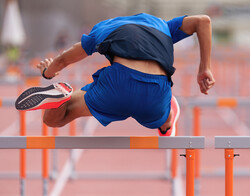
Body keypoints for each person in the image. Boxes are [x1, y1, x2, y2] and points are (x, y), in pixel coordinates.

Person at [15, 13, 215, 136]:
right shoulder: (163, 25)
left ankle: (60, 99)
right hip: (156, 91)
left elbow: (62, 61)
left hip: (116, 86)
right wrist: (204, 68)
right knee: (166, 119)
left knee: (53, 119)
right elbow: (203, 21)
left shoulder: (103, 29)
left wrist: (48, 72)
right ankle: (166, 125)